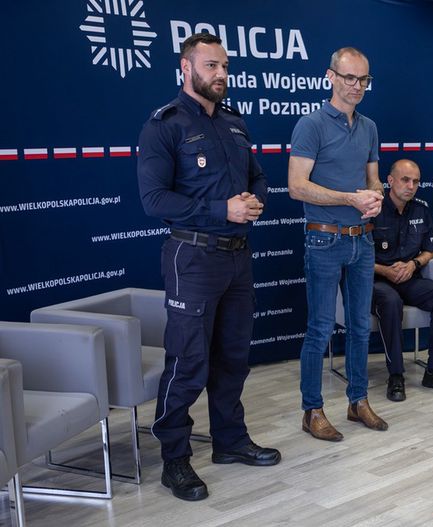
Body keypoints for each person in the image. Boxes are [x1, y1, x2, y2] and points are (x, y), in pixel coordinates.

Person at [138, 33, 281, 502]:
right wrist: (223, 210)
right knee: (188, 362)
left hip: (237, 257)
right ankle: (175, 459)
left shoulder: (235, 123)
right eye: (211, 65)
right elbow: (154, 199)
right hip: (193, 258)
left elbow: (257, 175)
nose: (221, 74)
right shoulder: (165, 125)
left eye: (224, 66)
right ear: (186, 67)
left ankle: (230, 440)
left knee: (233, 358)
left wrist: (255, 200)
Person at [288, 47, 387, 442]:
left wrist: (376, 195)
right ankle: (312, 410)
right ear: (330, 76)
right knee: (321, 328)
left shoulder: (369, 127)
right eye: (349, 78)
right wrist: (349, 198)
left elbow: (373, 177)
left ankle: (357, 401)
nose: (357, 86)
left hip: (362, 240)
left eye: (363, 79)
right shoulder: (310, 125)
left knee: (360, 326)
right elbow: (297, 186)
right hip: (324, 238)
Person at [372, 159, 433, 402]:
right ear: (390, 181)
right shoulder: (373, 209)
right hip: (377, 279)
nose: (411, 186)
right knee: (391, 302)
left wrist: (414, 264)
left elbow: (431, 250)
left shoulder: (421, 209)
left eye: (416, 182)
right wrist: (386, 271)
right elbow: (357, 258)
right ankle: (396, 375)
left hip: (409, 276)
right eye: (405, 180)